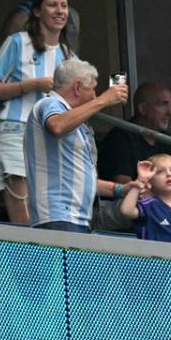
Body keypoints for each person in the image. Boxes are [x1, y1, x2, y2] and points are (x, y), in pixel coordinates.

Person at [0, 0, 75, 224]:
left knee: (48, 216)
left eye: (64, 6)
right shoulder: (17, 42)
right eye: (52, 5)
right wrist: (31, 85)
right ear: (37, 11)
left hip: (50, 139)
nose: (60, 11)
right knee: (23, 217)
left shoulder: (68, 55)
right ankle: (30, 261)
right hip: (15, 130)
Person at [23, 59, 129, 232]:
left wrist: (120, 189)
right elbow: (56, 126)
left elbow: (81, 179)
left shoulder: (74, 121)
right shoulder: (49, 103)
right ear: (78, 87)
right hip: (58, 215)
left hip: (74, 217)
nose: (95, 95)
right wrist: (103, 100)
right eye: (93, 88)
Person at [98, 82, 171, 205]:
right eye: (163, 104)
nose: (170, 112)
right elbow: (125, 188)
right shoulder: (120, 137)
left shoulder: (167, 140)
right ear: (143, 109)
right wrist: (165, 201)